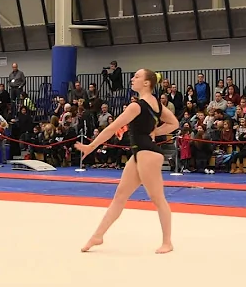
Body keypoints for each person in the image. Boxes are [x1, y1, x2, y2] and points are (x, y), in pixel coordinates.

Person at [75, 69, 179, 254]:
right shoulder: (155, 104)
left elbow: (111, 128)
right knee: (120, 197)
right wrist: (155, 132)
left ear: (147, 83)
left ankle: (167, 242)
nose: (132, 79)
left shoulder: (137, 106)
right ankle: (97, 236)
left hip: (148, 153)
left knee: (158, 198)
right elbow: (173, 124)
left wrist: (91, 147)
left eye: (137, 76)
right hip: (140, 153)